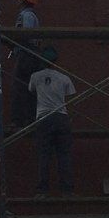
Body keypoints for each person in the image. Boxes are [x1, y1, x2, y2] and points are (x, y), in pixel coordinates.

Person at [28, 44, 75, 194]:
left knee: (44, 155)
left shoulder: (35, 77)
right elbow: (71, 100)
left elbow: (31, 90)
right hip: (61, 117)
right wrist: (70, 119)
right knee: (64, 155)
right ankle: (66, 190)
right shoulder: (64, 78)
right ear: (55, 61)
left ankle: (43, 190)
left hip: (44, 118)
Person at [9, 0, 42, 126]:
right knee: (28, 87)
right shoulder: (31, 15)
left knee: (19, 87)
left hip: (26, 54)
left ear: (24, 1)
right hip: (30, 54)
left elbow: (26, 35)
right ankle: (29, 118)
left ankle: (19, 120)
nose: (18, 1)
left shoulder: (26, 15)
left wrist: (13, 40)